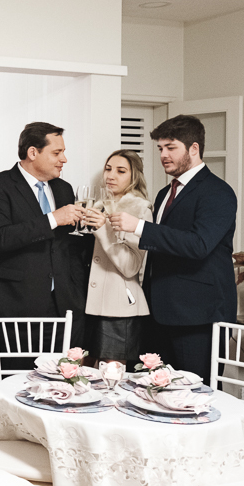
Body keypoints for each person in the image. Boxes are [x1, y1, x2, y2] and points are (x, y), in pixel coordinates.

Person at [108, 115, 237, 379]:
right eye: (160, 148)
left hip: (199, 316)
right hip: (158, 313)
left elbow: (199, 244)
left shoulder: (218, 192)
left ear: (194, 148)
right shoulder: (164, 193)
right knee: (151, 390)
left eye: (171, 147)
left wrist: (140, 227)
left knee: (195, 393)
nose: (163, 155)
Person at [0, 122, 88, 361]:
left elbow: (66, 245)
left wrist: (92, 227)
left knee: (61, 378)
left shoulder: (64, 189)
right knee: (11, 376)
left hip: (62, 305)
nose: (64, 159)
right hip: (14, 304)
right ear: (33, 152)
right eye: (57, 153)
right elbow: (0, 238)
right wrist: (53, 219)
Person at [80, 150, 152, 366]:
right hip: (87, 306)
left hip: (119, 309)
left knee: (112, 378)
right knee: (81, 374)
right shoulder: (96, 205)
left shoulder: (141, 210)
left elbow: (130, 266)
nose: (111, 176)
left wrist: (103, 229)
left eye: (121, 171)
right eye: (108, 169)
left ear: (134, 176)